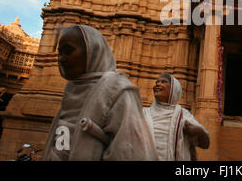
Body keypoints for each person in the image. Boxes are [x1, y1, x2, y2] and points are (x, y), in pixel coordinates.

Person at [42, 25, 158, 161]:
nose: (62, 58)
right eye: (60, 53)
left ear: (92, 51)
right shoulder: (72, 90)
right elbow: (63, 142)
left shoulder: (117, 90)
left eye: (69, 51)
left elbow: (128, 151)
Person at [143, 73, 210, 161]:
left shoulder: (182, 114)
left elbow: (205, 144)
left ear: (173, 89)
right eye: (157, 82)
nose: (157, 84)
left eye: (163, 82)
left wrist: (197, 131)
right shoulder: (144, 113)